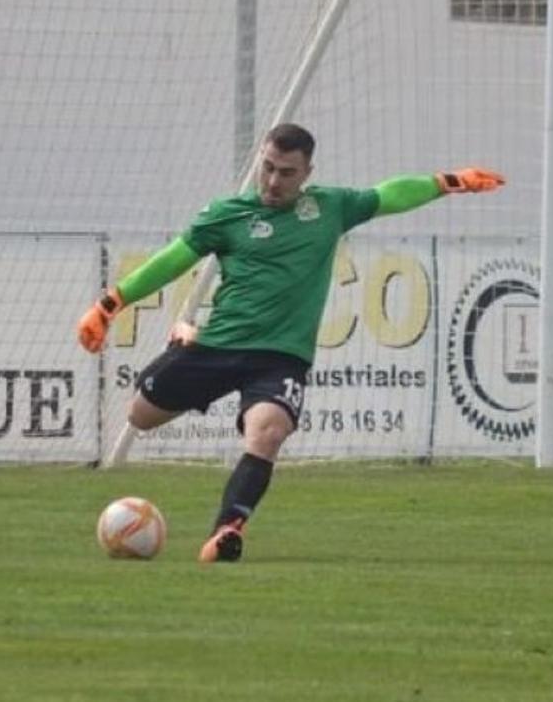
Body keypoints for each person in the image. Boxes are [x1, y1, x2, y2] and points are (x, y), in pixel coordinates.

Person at [77, 123, 504, 563]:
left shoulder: (329, 208)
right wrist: (111, 303)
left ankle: (227, 530)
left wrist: (448, 183)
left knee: (268, 432)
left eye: (286, 172)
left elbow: (388, 195)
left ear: (306, 174)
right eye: (267, 168)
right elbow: (172, 260)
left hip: (279, 358)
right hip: (217, 348)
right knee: (140, 416)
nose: (274, 181)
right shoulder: (226, 215)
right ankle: (182, 343)